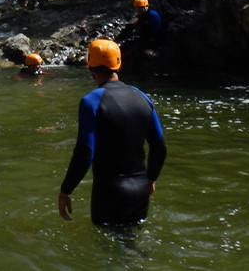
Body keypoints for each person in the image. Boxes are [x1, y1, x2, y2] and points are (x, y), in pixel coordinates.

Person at [58, 38, 167, 227]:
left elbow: (85, 152)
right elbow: (159, 146)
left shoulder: (91, 101)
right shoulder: (141, 96)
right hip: (141, 190)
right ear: (118, 64)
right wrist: (151, 179)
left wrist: (66, 190)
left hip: (109, 192)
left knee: (107, 250)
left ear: (90, 66)